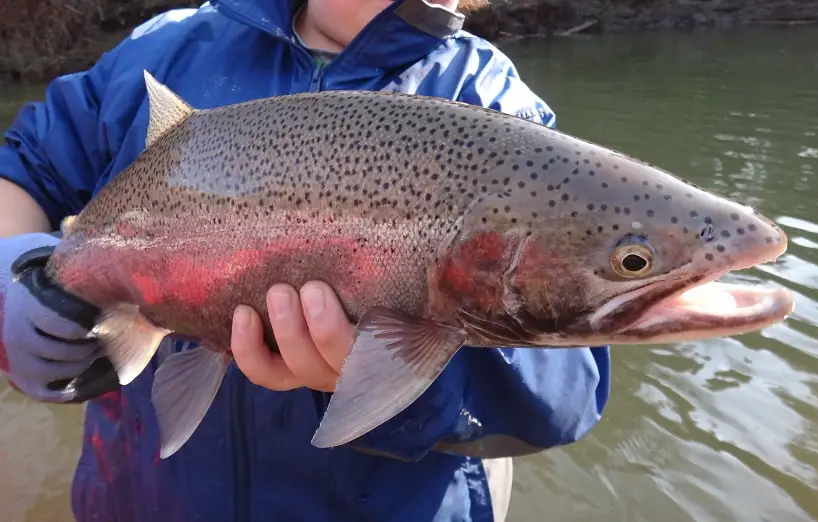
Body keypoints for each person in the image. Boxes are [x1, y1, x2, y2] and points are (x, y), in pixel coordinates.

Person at [0, 0, 612, 520]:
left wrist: (403, 380)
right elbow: (24, 168)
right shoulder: (161, 51)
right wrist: (16, 274)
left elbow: (565, 394)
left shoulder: (492, 109)